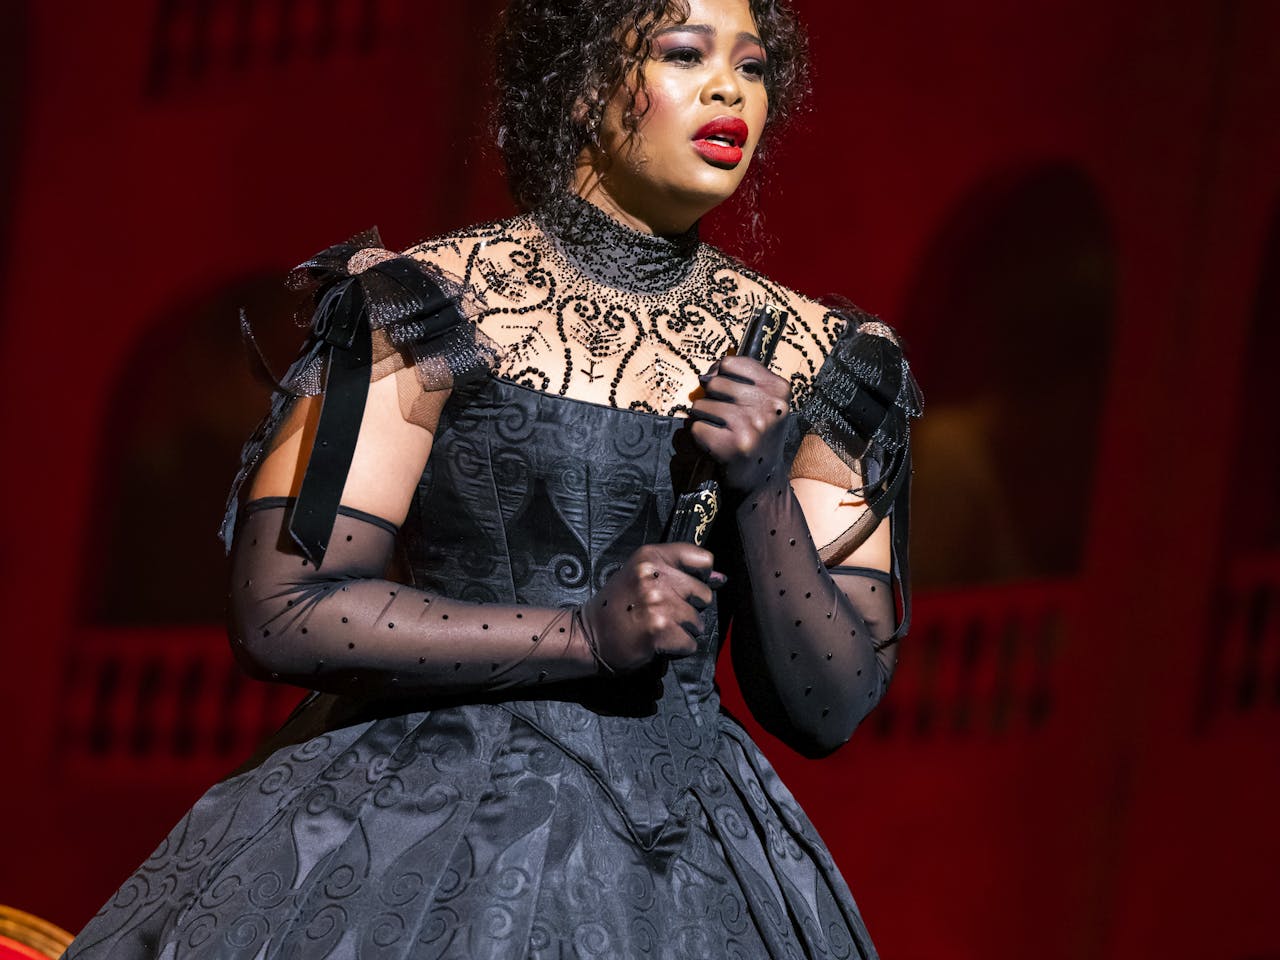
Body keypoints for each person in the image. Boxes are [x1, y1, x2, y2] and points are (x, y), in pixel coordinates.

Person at [64, 0, 921, 956]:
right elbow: (282, 607)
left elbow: (829, 706)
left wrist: (764, 496)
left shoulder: (827, 360)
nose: (731, 90)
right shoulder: (429, 303)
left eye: (753, 67)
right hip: (417, 825)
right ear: (583, 84)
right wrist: (581, 635)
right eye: (685, 54)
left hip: (691, 864)